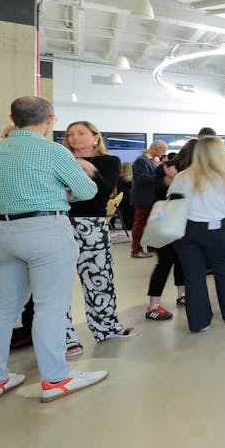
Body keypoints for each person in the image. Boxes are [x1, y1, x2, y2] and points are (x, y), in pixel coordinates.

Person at [0, 96, 107, 405]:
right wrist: (61, 193)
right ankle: (57, 378)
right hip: (45, 230)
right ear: (50, 120)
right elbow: (87, 190)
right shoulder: (53, 151)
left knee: (2, 307)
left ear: (12, 118)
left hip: (0, 232)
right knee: (50, 306)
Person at [62, 121, 138, 355]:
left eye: (81, 133)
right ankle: (65, 336)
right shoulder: (61, 160)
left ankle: (107, 327)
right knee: (58, 283)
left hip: (93, 226)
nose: (74, 138)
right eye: (70, 134)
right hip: (60, 223)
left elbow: (104, 191)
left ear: (96, 137)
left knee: (99, 278)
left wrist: (88, 168)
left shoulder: (109, 161)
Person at [169, 136, 225, 331]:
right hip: (216, 230)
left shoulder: (182, 176)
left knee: (193, 276)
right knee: (223, 270)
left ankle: (199, 322)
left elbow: (171, 204)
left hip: (185, 231)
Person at [145, 156, 185, 320]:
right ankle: (153, 305)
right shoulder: (161, 189)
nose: (175, 171)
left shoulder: (178, 185)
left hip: (177, 229)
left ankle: (182, 294)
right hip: (165, 231)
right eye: (172, 168)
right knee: (164, 264)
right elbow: (159, 210)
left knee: (180, 262)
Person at [130, 140, 168, 257]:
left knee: (153, 222)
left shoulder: (152, 160)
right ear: (155, 148)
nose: (164, 153)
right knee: (140, 224)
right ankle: (136, 249)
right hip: (144, 198)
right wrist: (162, 177)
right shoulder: (141, 161)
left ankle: (151, 246)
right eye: (163, 150)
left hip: (152, 199)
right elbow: (142, 178)